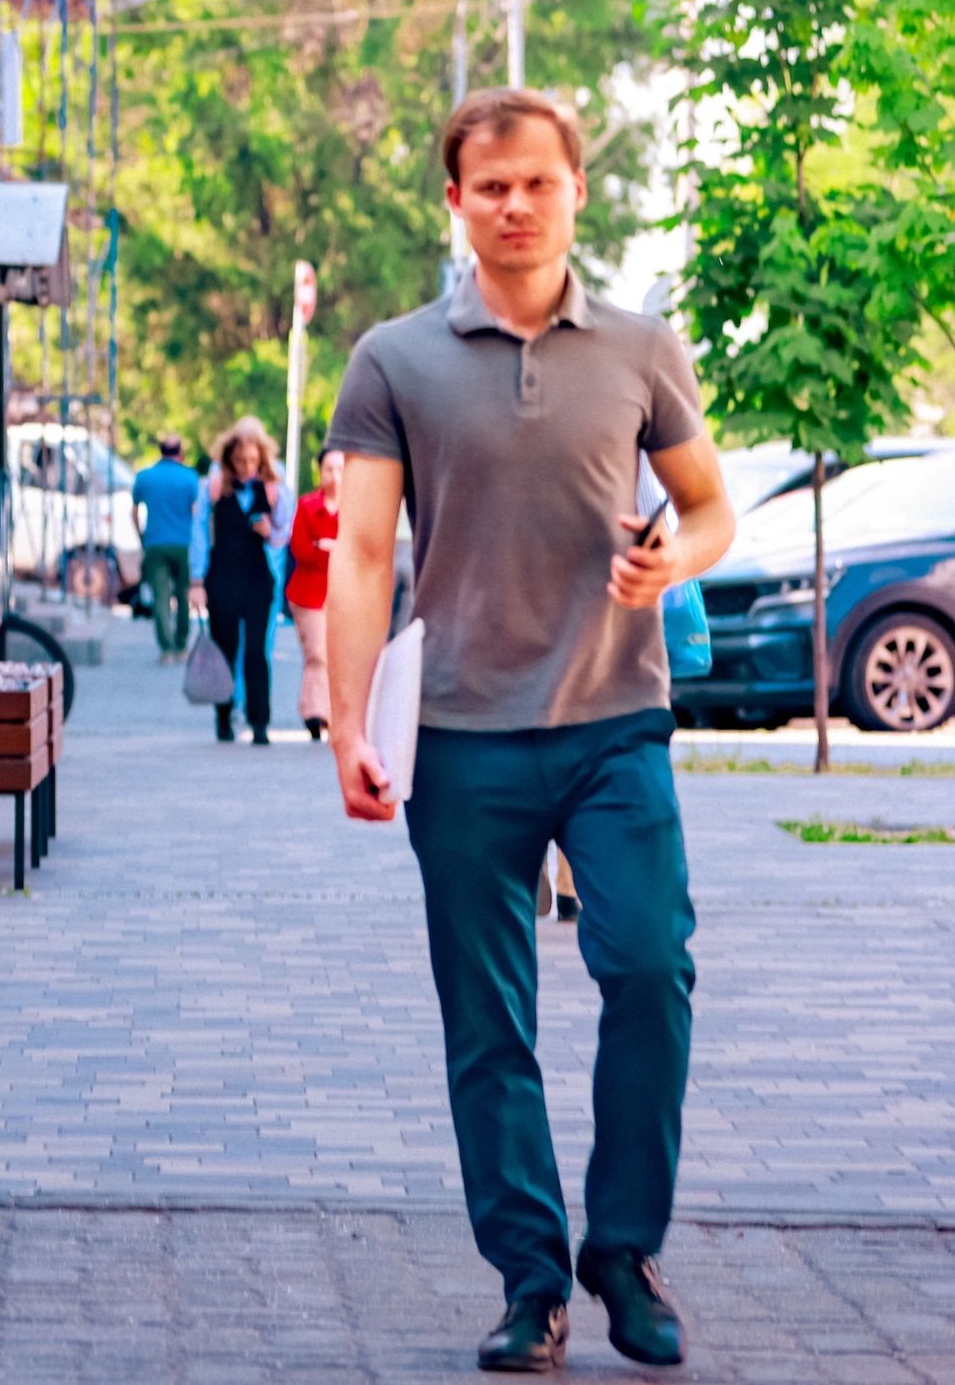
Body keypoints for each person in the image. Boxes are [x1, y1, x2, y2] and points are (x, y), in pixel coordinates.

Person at [323, 88, 733, 1373]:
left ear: (574, 193)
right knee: (486, 1021)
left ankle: (624, 1247)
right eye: (488, 186)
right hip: (459, 739)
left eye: (536, 184)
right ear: (455, 200)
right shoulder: (392, 359)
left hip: (616, 721)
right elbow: (366, 553)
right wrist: (347, 728)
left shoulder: (639, 348)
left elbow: (711, 508)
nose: (513, 204)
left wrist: (671, 561)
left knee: (649, 970)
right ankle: (530, 1278)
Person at [187, 418, 289, 744]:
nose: (247, 467)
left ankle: (260, 723)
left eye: (253, 461)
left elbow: (285, 532)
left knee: (257, 652)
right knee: (226, 649)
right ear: (229, 458)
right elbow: (200, 533)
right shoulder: (214, 488)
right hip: (223, 578)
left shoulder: (273, 488)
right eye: (241, 460)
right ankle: (224, 716)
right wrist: (197, 581)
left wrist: (269, 531)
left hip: (259, 579)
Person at [130, 433, 203, 661]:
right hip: (183, 546)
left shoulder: (145, 477)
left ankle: (166, 649)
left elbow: (134, 512)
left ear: (160, 451)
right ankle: (182, 646)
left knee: (161, 596)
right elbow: (197, 512)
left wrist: (142, 538)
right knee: (183, 595)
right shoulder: (190, 477)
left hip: (154, 544)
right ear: (180, 452)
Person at [287, 450, 343, 740]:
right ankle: (316, 713)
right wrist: (330, 551)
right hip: (309, 593)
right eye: (329, 469)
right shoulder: (307, 506)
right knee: (317, 654)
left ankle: (335, 713)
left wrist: (325, 547)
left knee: (339, 656)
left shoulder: (356, 508)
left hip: (343, 595)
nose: (334, 476)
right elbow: (301, 549)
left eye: (340, 469)